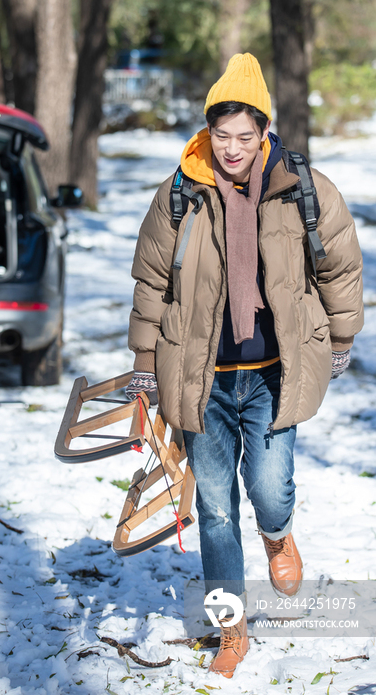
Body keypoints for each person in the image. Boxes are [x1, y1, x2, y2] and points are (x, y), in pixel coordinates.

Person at [126, 53, 363, 678]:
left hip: (271, 374)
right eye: (221, 136)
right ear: (208, 131)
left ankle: (279, 535)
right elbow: (151, 278)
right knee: (215, 510)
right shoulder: (181, 192)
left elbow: (339, 265)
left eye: (244, 136)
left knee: (267, 490)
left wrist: (342, 336)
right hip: (200, 378)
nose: (232, 149)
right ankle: (231, 630)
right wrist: (145, 358)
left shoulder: (301, 188)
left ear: (263, 132)